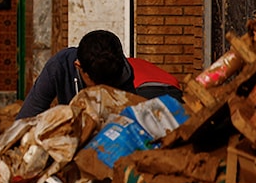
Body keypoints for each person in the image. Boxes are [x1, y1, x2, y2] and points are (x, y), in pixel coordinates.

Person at [17, 29, 183, 119]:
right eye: (97, 83)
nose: (102, 91)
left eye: (109, 84)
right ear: (79, 67)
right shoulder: (60, 67)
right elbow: (27, 117)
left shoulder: (133, 79)